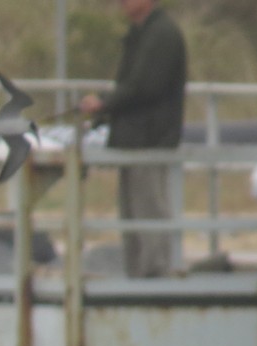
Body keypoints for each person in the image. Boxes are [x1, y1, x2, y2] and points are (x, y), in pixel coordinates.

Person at [79, 0, 187, 278]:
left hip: (151, 140)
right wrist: (104, 111)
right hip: (133, 139)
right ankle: (137, 275)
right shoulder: (139, 33)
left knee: (149, 210)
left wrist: (104, 104)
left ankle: (154, 276)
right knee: (131, 216)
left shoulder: (162, 34)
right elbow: (131, 86)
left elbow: (144, 87)